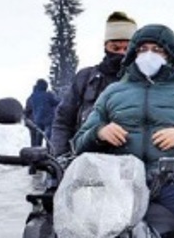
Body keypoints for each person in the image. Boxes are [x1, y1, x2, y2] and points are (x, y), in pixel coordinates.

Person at [73, 23, 174, 238]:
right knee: (75, 210)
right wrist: (99, 133)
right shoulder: (113, 92)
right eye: (142, 49)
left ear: (170, 55)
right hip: (119, 182)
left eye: (157, 50)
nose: (149, 55)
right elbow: (79, 143)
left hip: (169, 182)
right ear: (133, 54)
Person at [51, 11, 138, 156]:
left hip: (134, 164)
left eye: (127, 49)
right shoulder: (85, 78)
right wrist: (59, 157)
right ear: (106, 47)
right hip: (86, 163)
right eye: (115, 48)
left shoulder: (146, 82)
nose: (121, 54)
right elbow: (63, 122)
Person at [24, 78, 59, 148]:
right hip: (48, 120)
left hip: (37, 120)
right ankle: (50, 151)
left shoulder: (32, 96)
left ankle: (37, 150)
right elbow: (56, 102)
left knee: (38, 138)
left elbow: (28, 108)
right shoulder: (48, 95)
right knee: (49, 138)